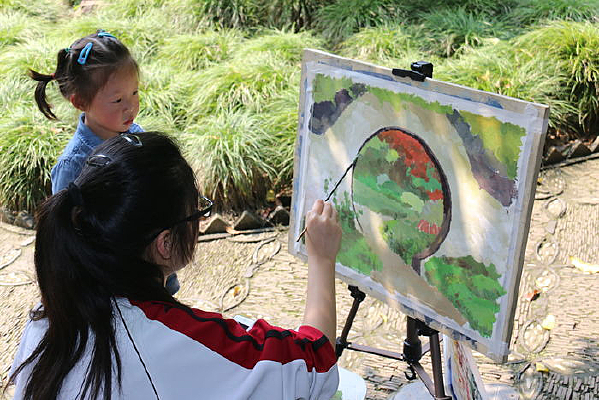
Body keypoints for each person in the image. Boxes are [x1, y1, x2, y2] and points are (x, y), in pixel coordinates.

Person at [8, 132, 342, 400]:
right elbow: (316, 364)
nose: (200, 221)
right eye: (197, 211)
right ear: (165, 244)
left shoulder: (50, 312)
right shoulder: (174, 340)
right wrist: (322, 259)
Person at [29, 30, 180, 294]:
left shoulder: (137, 136)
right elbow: (65, 237)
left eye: (135, 92)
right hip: (107, 285)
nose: (130, 106)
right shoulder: (74, 165)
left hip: (151, 271)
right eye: (118, 100)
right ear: (80, 102)